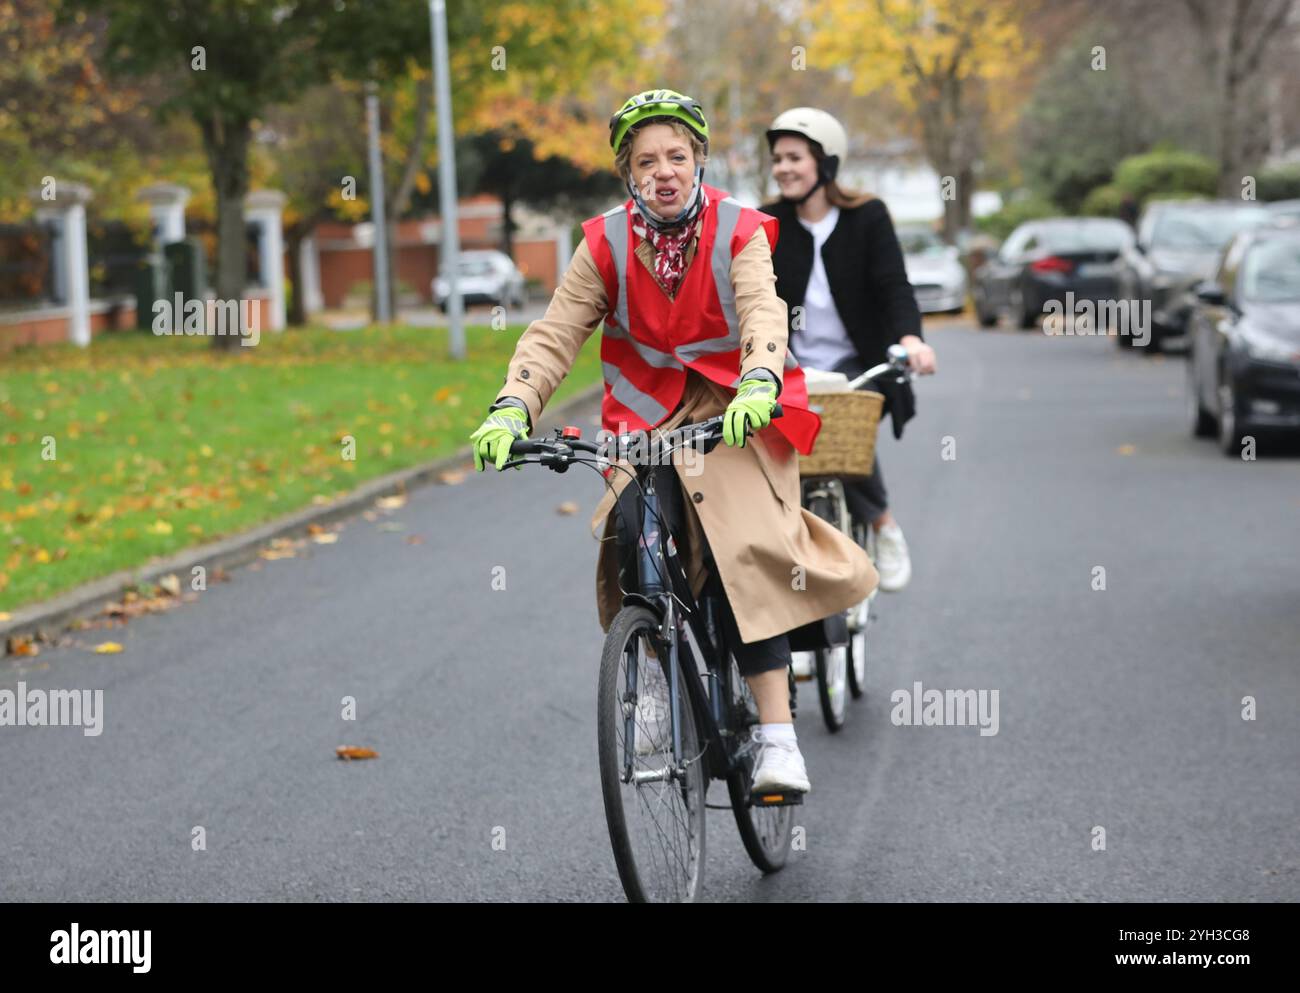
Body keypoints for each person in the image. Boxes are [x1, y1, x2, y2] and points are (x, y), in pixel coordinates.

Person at [468, 90, 877, 794]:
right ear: (627, 171)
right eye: (647, 160)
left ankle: (779, 739)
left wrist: (758, 381)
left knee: (741, 548)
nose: (664, 172)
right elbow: (557, 331)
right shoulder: (601, 242)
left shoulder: (740, 229)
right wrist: (513, 403)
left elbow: (762, 311)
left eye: (677, 157)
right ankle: (653, 676)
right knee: (633, 541)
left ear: (699, 161)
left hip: (734, 407)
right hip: (645, 418)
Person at [760, 108, 937, 592]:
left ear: (826, 163)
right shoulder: (768, 222)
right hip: (789, 365)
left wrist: (910, 340)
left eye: (795, 157)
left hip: (856, 363)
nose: (783, 168)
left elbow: (894, 287)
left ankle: (883, 527)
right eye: (777, 159)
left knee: (840, 430)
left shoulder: (867, 217)